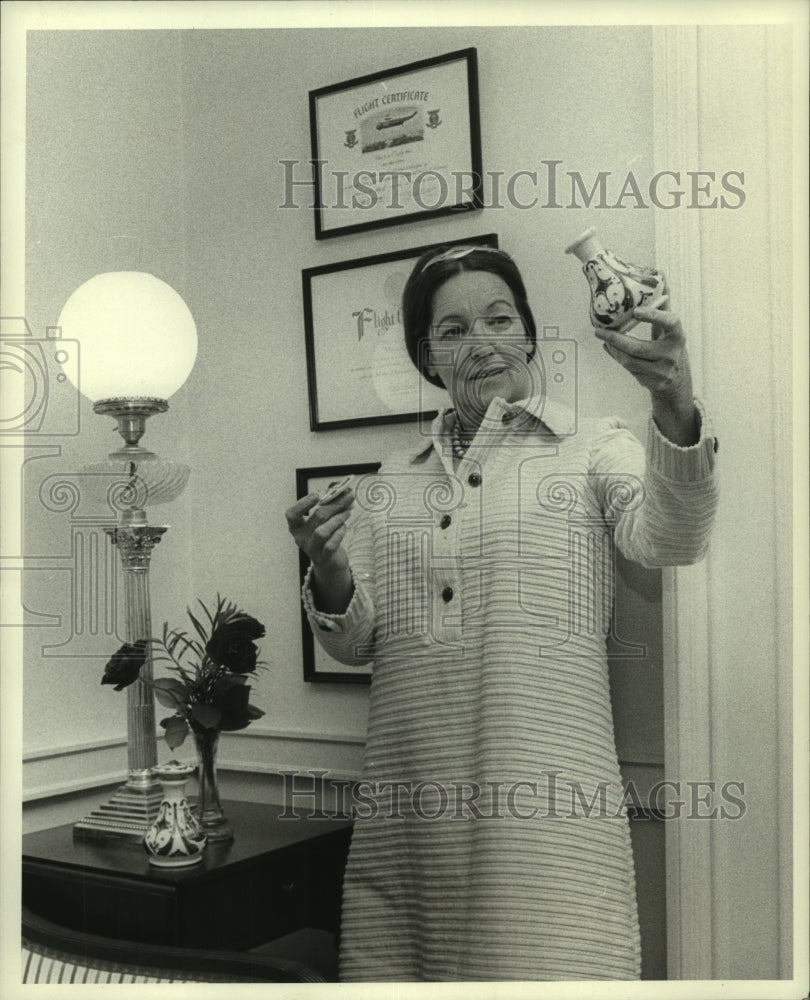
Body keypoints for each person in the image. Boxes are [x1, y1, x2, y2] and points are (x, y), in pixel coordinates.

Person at [286, 243, 718, 982]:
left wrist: (673, 402)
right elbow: (355, 642)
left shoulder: (591, 446)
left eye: (498, 318)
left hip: (547, 833)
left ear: (529, 334)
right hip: (410, 826)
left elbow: (671, 539)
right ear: (427, 359)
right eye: (453, 331)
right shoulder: (393, 481)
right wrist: (326, 566)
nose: (481, 342)